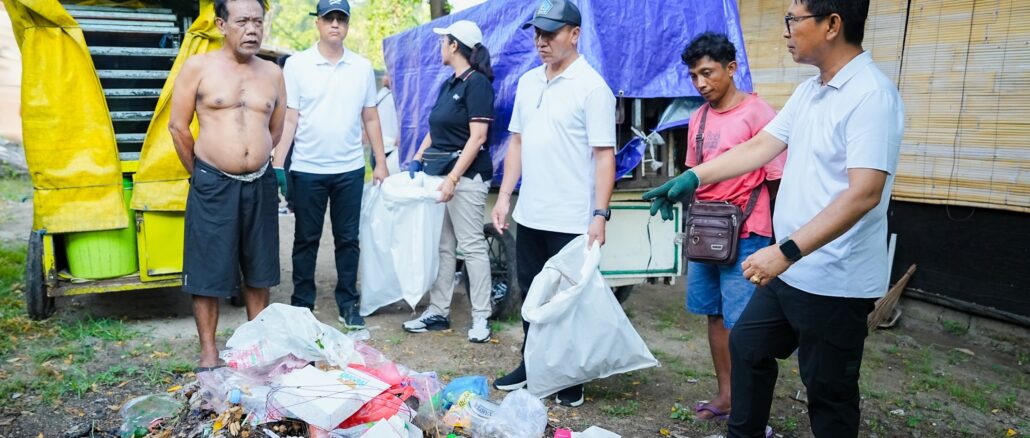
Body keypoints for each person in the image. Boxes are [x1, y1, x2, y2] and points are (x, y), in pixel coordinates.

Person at [644, 1, 903, 436]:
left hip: (834, 277)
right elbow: (759, 147)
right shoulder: (810, 91)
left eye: (792, 20)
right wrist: (693, 176)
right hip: (792, 269)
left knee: (828, 391)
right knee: (747, 346)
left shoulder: (871, 96)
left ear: (832, 25)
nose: (786, 31)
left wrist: (784, 252)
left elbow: (864, 194)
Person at [490, 0, 617, 407]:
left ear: (575, 34)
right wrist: (505, 195)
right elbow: (517, 142)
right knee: (532, 294)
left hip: (572, 218)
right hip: (531, 212)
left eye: (551, 33)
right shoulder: (529, 82)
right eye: (537, 33)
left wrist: (599, 215)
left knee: (568, 301)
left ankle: (570, 376)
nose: (541, 41)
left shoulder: (592, 87)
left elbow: (604, 155)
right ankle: (532, 364)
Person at [168, 0, 286, 370]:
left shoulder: (273, 73)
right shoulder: (198, 67)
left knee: (260, 269)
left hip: (260, 181)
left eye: (258, 22)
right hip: (213, 182)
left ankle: (257, 347)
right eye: (243, 21)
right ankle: (208, 352)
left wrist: (254, 157)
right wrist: (203, 174)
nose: (252, 29)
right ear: (221, 25)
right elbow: (178, 126)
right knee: (208, 269)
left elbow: (276, 129)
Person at [677, 32, 786, 422]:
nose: (701, 83)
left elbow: (776, 180)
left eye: (708, 73)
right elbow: (695, 176)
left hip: (749, 232)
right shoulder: (698, 118)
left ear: (732, 68)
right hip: (707, 231)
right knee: (714, 315)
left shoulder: (760, 113)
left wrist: (778, 242)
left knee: (745, 324)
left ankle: (749, 411)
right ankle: (726, 396)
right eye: (694, 76)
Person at [274, 0, 390, 330]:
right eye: (329, 18)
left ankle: (348, 303)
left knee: (348, 239)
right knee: (306, 238)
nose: (335, 24)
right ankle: (302, 303)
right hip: (308, 168)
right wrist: (279, 164)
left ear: (348, 24)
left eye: (341, 19)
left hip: (349, 169)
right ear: (318, 23)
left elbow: (370, 117)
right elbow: (290, 118)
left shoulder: (362, 67)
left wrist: (381, 162)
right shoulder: (297, 65)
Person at [401, 20, 496, 343]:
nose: (440, 47)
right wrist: (418, 156)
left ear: (454, 45)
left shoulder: (477, 84)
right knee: (444, 246)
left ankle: (481, 317)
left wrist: (454, 178)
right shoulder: (449, 84)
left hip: (466, 177)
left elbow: (478, 137)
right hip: (442, 175)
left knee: (471, 246)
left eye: (443, 42)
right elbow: (436, 128)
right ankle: (438, 312)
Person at [273, 54, 295, 215]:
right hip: (282, 134)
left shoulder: (290, 84)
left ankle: (291, 204)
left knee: (286, 168)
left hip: (290, 135)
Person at [374, 72, 402, 175]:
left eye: (388, 75)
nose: (384, 78)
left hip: (392, 148)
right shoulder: (381, 93)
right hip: (378, 146)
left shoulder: (401, 96)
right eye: (385, 74)